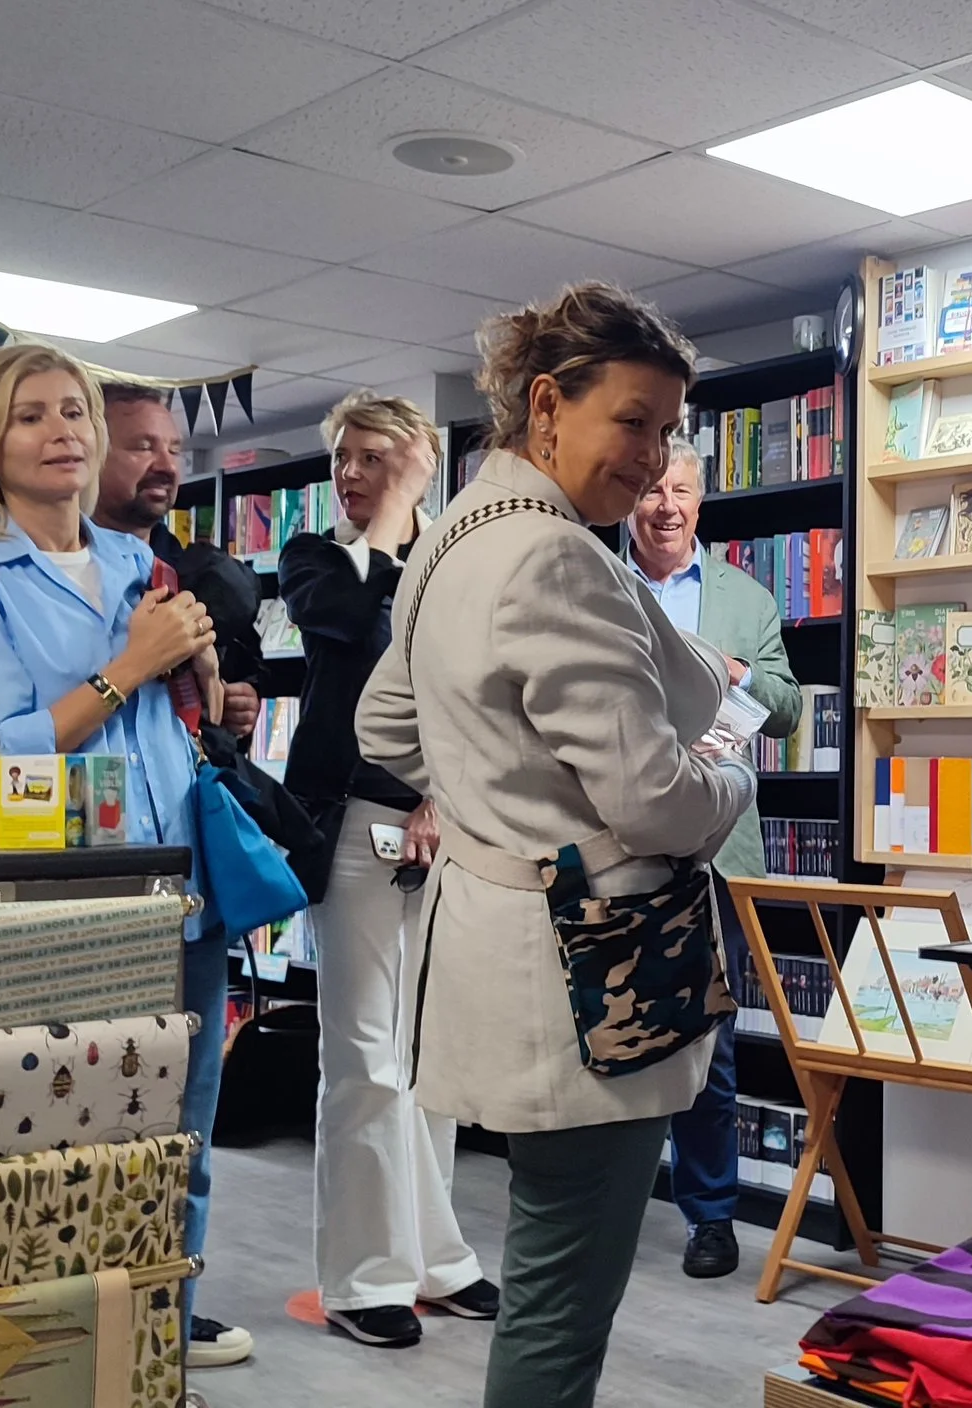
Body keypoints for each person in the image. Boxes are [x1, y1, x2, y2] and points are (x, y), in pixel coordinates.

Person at [358, 281, 753, 1408]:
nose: (653, 454)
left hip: (501, 942)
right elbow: (655, 803)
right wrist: (731, 773)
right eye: (634, 420)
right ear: (547, 406)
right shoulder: (557, 558)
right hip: (594, 976)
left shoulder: (451, 542)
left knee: (546, 1268)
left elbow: (384, 726)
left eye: (670, 428)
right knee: (560, 1303)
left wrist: (491, 790)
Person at [0, 344, 248, 1385]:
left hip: (182, 896)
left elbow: (166, 721)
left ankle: (156, 1365)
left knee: (176, 1152)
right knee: (58, 1153)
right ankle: (53, 1370)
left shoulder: (145, 564)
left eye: (74, 411)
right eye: (30, 418)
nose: (63, 432)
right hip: (67, 912)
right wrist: (126, 667)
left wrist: (199, 684)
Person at [280, 390, 498, 1349]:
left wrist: (443, 796)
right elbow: (358, 633)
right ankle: (362, 1278)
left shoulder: (450, 558)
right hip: (349, 827)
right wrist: (402, 516)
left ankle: (435, 1262)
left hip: (439, 826)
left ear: (416, 458)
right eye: (345, 458)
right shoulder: (318, 558)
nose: (352, 472)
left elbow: (475, 694)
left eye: (376, 457)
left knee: (428, 1057)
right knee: (364, 1057)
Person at [625, 439, 799, 1281]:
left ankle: (711, 1215)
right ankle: (613, 1205)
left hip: (716, 848)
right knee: (612, 1028)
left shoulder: (745, 598)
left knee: (710, 1043)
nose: (666, 504)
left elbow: (792, 706)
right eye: (653, 487)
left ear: (702, 501)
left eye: (682, 489)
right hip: (617, 837)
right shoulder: (599, 581)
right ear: (631, 496)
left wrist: (736, 672)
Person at [89, 381, 263, 742]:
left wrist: (238, 704)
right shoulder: (56, 574)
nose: (167, 467)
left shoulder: (204, 579)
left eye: (174, 450)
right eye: (142, 447)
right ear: (89, 455)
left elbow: (238, 687)